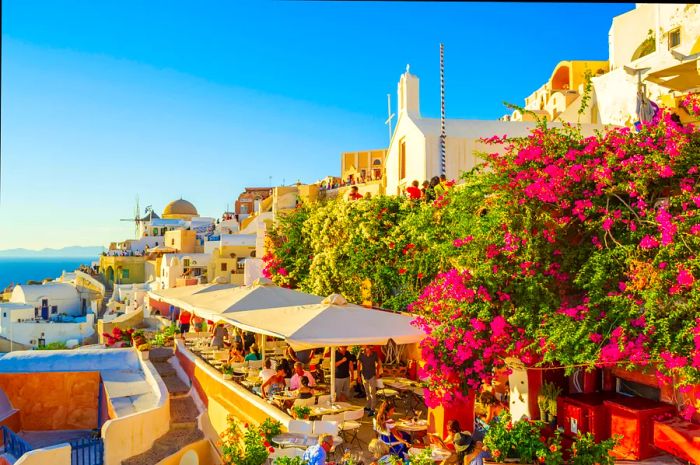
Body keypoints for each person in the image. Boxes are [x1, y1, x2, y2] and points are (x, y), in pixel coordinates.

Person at [357, 345, 382, 415]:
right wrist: (358, 376)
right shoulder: (361, 354)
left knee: (372, 393)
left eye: (369, 349)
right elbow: (358, 365)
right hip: (364, 375)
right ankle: (368, 406)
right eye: (366, 349)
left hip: (372, 376)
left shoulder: (375, 354)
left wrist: (377, 372)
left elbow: (378, 363)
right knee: (367, 392)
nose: (367, 350)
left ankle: (372, 409)